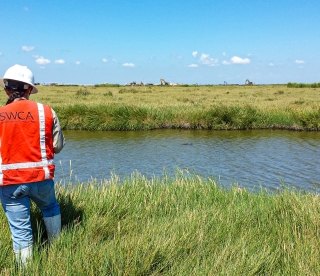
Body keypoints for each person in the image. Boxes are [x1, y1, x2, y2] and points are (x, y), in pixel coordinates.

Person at [0, 64, 65, 265]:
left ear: (6, 89)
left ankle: (26, 269)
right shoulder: (46, 111)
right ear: (29, 89)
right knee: (50, 207)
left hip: (10, 183)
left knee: (20, 231)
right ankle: (57, 249)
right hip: (42, 178)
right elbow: (58, 145)